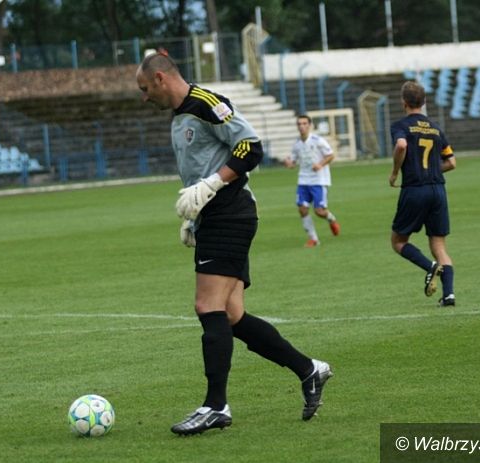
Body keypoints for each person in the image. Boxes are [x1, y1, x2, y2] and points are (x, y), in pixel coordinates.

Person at [136, 53, 333, 436]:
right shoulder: (179, 116)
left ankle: (216, 406)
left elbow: (250, 147)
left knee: (206, 306)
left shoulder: (207, 104)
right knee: (230, 315)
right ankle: (309, 370)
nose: (144, 97)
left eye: (145, 89)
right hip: (216, 217)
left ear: (160, 78)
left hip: (230, 214)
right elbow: (200, 168)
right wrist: (194, 215)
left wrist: (212, 185)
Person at [389, 81, 456, 307]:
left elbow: (401, 146)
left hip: (415, 189)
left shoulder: (401, 126)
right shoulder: (435, 128)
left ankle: (430, 267)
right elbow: (452, 162)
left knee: (398, 241)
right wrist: (432, 170)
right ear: (424, 101)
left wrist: (395, 172)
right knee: (439, 245)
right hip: (438, 190)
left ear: (403, 102)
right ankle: (449, 295)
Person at [285, 115, 340, 247]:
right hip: (303, 180)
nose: (301, 126)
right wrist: (289, 163)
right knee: (302, 209)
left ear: (310, 125)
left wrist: (320, 164)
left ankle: (331, 219)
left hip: (318, 180)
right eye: (299, 124)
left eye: (304, 123)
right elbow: (293, 162)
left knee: (319, 211)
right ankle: (314, 239)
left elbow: (330, 155)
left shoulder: (318, 140)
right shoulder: (297, 144)